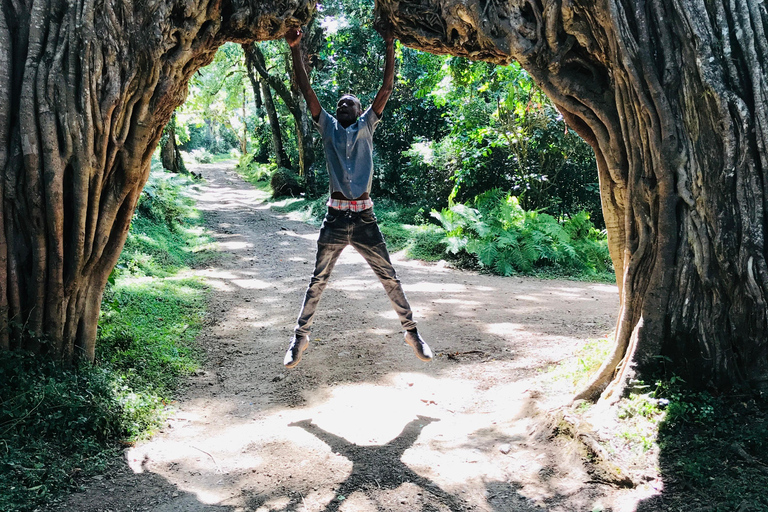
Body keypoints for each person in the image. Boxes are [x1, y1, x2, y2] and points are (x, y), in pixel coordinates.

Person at [282, 25, 433, 368]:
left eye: (349, 102)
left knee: (389, 277)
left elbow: (387, 87)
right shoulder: (328, 126)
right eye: (340, 103)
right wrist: (295, 49)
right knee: (317, 280)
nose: (343, 105)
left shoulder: (367, 125)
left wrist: (391, 44)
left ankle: (412, 332)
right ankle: (299, 339)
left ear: (362, 109)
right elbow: (307, 92)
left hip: (365, 219)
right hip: (335, 218)